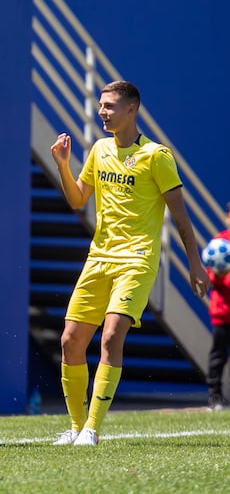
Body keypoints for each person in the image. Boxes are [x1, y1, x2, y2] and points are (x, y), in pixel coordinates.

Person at [49, 80, 208, 446]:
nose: (102, 112)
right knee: (70, 341)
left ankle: (92, 428)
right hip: (98, 258)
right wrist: (62, 165)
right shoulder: (99, 149)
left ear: (131, 109)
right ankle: (74, 427)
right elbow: (77, 200)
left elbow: (181, 216)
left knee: (111, 335)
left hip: (136, 260)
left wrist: (195, 263)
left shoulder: (157, 156)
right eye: (101, 105)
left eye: (109, 106)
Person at [205, 203, 230, 411]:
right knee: (218, 356)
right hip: (223, 311)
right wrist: (219, 275)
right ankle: (215, 396)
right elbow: (211, 275)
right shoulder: (220, 242)